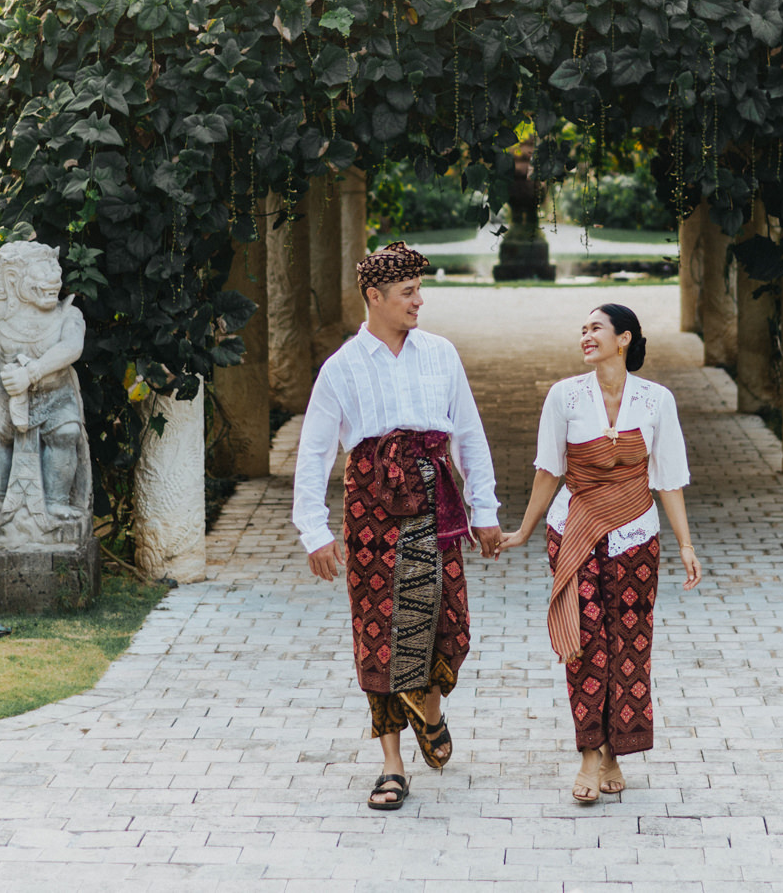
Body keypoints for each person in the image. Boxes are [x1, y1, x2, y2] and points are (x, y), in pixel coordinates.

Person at [292, 240, 504, 813]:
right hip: (371, 507)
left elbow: (469, 435)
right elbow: (314, 455)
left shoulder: (441, 354)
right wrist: (314, 531)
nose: (419, 302)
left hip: (436, 499)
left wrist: (483, 510)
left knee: (449, 620)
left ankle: (429, 706)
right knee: (379, 631)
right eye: (408, 293)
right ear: (375, 297)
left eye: (419, 290)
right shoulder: (341, 368)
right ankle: (391, 765)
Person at [500, 302, 701, 804]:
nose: (586, 336)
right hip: (575, 530)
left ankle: (616, 751)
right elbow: (549, 470)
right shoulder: (564, 396)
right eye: (582, 329)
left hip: (636, 534)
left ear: (625, 338)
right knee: (586, 640)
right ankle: (590, 755)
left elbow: (668, 479)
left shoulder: (656, 401)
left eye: (596, 328)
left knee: (630, 642)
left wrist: (686, 545)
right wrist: (523, 531)